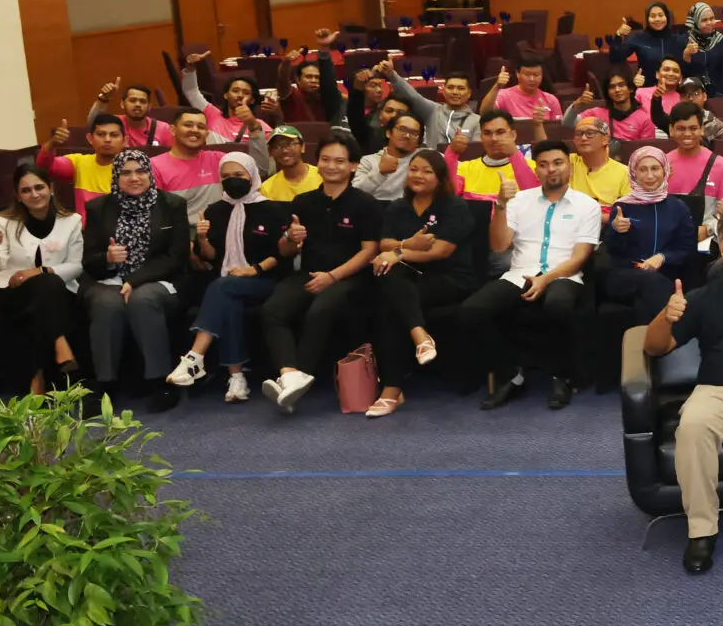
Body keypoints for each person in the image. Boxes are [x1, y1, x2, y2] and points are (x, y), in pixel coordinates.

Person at [465, 139, 601, 410]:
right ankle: (511, 375)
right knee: (471, 312)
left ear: (569, 167)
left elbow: (580, 258)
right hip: (520, 273)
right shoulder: (518, 201)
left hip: (564, 275)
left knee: (558, 305)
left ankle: (561, 376)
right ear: (536, 169)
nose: (551, 170)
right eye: (544, 164)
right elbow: (499, 245)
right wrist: (501, 205)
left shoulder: (588, 205)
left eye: (558, 163)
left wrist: (546, 279)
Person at [254, 136, 380, 414]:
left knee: (320, 309)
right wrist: (289, 237)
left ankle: (296, 381)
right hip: (309, 273)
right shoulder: (303, 202)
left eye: (339, 161)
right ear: (317, 162)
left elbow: (369, 251)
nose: (331, 166)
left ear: (353, 166)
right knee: (273, 310)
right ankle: (290, 375)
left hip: (350, 278)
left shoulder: (366, 203)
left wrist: (333, 276)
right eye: (325, 159)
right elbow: (286, 250)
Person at [363, 149, 482, 417]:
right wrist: (406, 245)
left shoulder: (454, 207)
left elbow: (440, 251)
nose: (419, 175)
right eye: (414, 169)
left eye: (427, 171)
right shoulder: (397, 207)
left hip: (450, 277)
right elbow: (384, 243)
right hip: (408, 276)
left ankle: (392, 390)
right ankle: (420, 337)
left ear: (440, 178)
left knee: (391, 301)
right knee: (391, 282)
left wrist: (399, 252)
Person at [164, 151, 286, 404]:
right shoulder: (215, 210)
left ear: (252, 175)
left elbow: (281, 254)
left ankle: (195, 357)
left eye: (239, 175)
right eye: (226, 176)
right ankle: (237, 377)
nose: (233, 180)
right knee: (227, 294)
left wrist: (255, 270)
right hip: (226, 281)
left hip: (264, 280)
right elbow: (210, 256)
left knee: (224, 287)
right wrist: (202, 239)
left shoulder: (271, 209)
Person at [79, 150, 192, 405]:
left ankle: (160, 381)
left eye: (140, 171)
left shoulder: (172, 205)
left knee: (143, 299)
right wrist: (107, 258)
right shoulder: (98, 208)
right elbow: (88, 260)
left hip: (160, 279)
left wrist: (135, 280)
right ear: (116, 177)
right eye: (126, 173)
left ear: (150, 174)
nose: (134, 178)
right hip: (109, 280)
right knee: (106, 304)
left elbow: (176, 258)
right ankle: (104, 385)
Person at [0, 165, 84, 392]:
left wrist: (40, 271)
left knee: (46, 289)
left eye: (39, 187)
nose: (34, 194)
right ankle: (60, 344)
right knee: (46, 296)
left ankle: (37, 377)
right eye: (26, 190)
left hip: (57, 290)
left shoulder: (71, 221)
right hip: (12, 290)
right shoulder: (2, 223)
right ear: (18, 196)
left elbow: (76, 266)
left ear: (51, 188)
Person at [599, 145, 701, 325]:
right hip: (625, 275)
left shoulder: (678, 208)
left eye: (655, 168)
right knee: (654, 284)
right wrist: (616, 230)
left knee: (647, 298)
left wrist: (663, 257)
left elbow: (687, 249)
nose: (649, 176)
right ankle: (664, 344)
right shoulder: (623, 206)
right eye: (642, 169)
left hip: (666, 273)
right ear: (633, 173)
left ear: (665, 171)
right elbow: (612, 250)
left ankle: (644, 346)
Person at [38, 114, 123, 214]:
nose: (107, 139)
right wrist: (51, 144)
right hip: (85, 228)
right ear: (90, 138)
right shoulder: (78, 163)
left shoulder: (137, 167)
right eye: (101, 134)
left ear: (125, 141)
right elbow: (43, 167)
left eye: (114, 135)